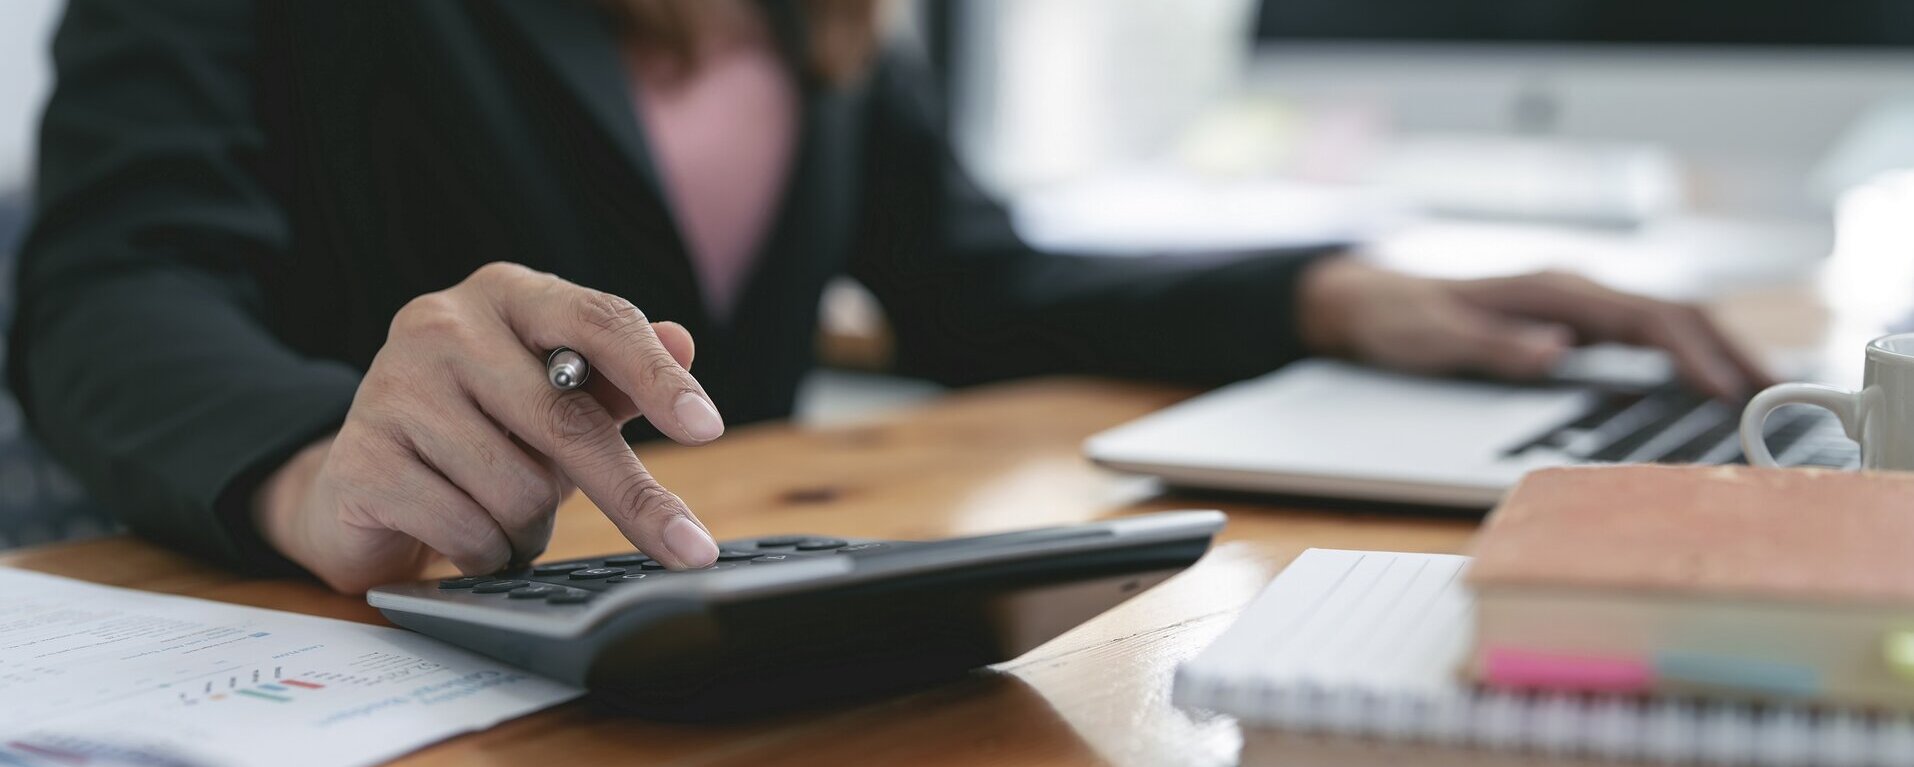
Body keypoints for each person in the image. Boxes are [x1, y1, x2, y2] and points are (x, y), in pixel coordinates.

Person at [8, 0, 1769, 594]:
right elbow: (110, 277)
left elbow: (970, 284)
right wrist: (312, 459)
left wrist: (1327, 295)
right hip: (359, 637)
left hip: (714, 635)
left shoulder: (832, 21)